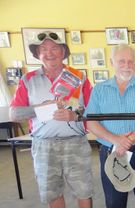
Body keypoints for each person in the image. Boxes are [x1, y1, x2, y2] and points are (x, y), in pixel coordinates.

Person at [10, 31, 93, 208]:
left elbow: (93, 111)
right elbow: (14, 114)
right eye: (43, 49)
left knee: (84, 190)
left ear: (63, 52)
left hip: (76, 143)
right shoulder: (27, 80)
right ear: (37, 54)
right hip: (43, 146)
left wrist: (75, 115)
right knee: (52, 192)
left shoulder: (79, 77)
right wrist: (40, 109)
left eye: (54, 48)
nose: (49, 53)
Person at [85, 44, 135, 208]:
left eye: (130, 62)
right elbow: (91, 121)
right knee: (114, 201)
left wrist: (130, 139)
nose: (127, 66)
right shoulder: (99, 90)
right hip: (110, 152)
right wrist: (116, 140)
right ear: (112, 62)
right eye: (121, 61)